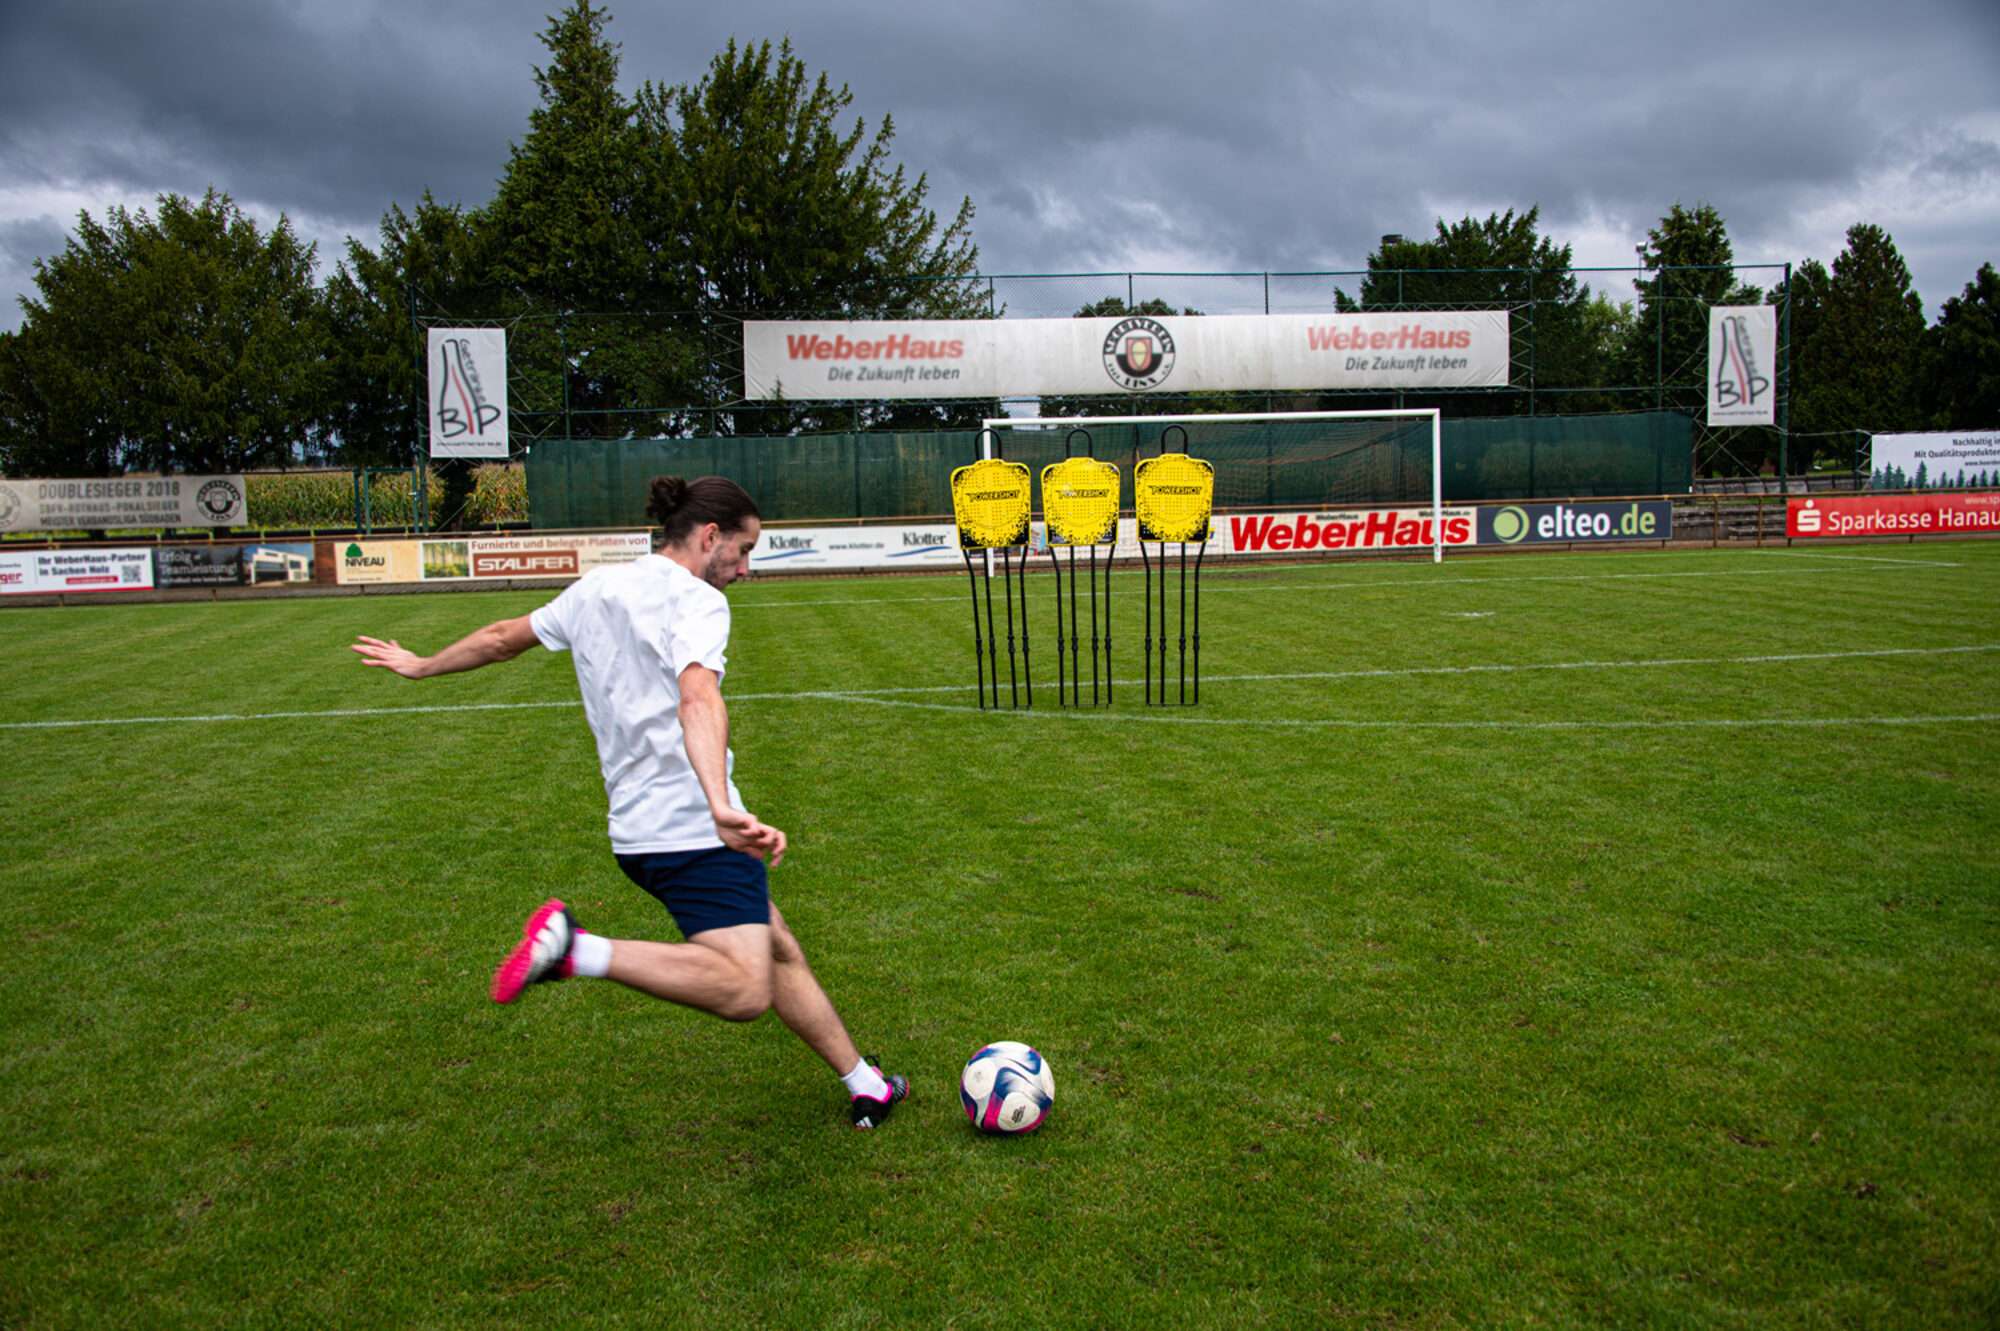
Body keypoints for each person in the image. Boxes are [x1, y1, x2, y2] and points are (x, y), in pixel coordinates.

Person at [350, 475, 909, 1129]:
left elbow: (504, 636)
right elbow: (698, 697)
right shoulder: (696, 601)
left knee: (777, 944)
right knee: (744, 986)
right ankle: (576, 950)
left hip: (636, 833)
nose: (747, 569)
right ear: (708, 536)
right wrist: (718, 802)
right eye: (745, 549)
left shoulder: (598, 587)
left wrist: (421, 665)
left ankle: (864, 1082)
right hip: (692, 826)